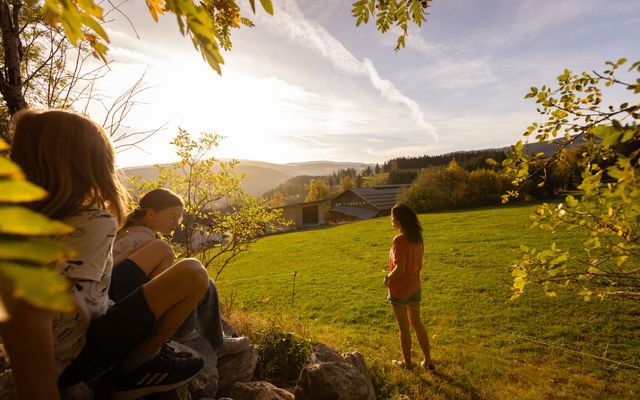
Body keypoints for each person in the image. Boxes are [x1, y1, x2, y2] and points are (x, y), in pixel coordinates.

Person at [5, 109, 209, 399]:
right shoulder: (94, 221)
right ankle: (138, 366)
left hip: (89, 307)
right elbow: (27, 318)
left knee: (161, 249)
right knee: (194, 273)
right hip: (79, 353)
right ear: (89, 168)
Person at [110, 188, 250, 355]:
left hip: (127, 304)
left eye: (179, 217)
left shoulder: (128, 233)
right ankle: (212, 342)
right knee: (206, 285)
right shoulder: (143, 240)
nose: (177, 223)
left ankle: (212, 340)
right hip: (139, 312)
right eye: (172, 216)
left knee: (202, 282)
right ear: (151, 214)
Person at [384, 203, 434, 371]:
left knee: (404, 329)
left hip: (400, 290)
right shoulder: (418, 238)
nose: (391, 219)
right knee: (418, 324)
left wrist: (387, 277)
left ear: (398, 220)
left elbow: (400, 269)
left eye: (392, 216)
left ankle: (407, 365)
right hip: (415, 287)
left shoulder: (399, 240)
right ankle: (428, 361)